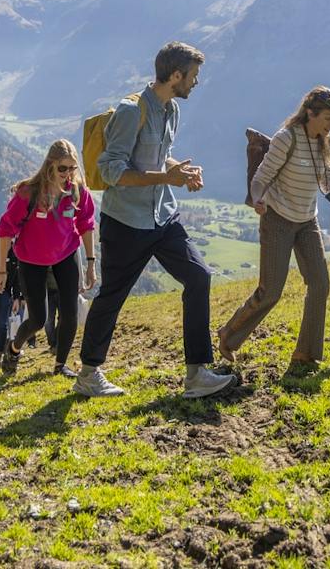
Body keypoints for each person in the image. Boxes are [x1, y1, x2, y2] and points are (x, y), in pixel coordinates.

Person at [74, 41, 235, 399]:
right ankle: (88, 373)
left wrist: (181, 170)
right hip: (126, 221)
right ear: (175, 75)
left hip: (163, 215)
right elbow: (112, 169)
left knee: (198, 277)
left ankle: (196, 374)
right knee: (113, 296)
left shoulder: (171, 109)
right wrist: (167, 178)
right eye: (192, 76)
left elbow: (158, 156)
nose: (195, 83)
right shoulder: (131, 111)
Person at [218, 86, 330, 370]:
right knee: (270, 291)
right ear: (310, 113)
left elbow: (329, 184)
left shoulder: (327, 141)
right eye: (328, 117)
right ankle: (228, 335)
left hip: (307, 220)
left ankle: (306, 355)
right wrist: (257, 198)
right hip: (277, 218)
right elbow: (262, 176)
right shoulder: (287, 138)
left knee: (320, 285)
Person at [0, 139, 96, 378]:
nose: (68, 174)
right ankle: (14, 348)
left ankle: (61, 365)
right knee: (38, 319)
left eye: (72, 168)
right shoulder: (29, 193)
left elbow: (86, 225)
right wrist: (1, 270)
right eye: (63, 168)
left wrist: (91, 262)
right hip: (31, 259)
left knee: (70, 313)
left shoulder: (77, 191)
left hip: (66, 254)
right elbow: (5, 230)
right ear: (50, 165)